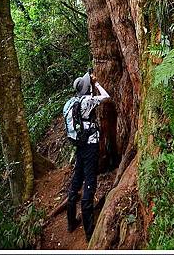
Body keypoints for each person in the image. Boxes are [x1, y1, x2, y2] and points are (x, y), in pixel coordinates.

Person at [66, 71, 110, 242]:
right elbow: (106, 97)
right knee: (90, 183)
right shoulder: (88, 101)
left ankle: (71, 223)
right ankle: (90, 232)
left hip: (79, 146)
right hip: (90, 146)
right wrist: (97, 84)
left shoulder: (72, 102)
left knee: (77, 180)